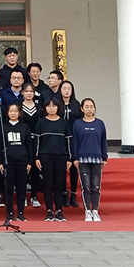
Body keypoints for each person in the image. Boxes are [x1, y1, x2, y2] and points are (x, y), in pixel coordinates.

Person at [35, 99, 73, 222]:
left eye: (54, 106)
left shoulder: (64, 123)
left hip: (61, 157)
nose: (51, 108)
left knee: (60, 184)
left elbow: (68, 141)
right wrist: (36, 157)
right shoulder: (41, 122)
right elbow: (37, 142)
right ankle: (49, 211)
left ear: (58, 107)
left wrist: (69, 158)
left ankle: (59, 211)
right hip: (45, 157)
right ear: (45, 108)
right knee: (48, 184)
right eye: (49, 106)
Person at [73, 98, 108, 222]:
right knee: (86, 186)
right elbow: (75, 142)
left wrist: (104, 157)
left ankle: (95, 211)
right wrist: (75, 158)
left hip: (97, 158)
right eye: (86, 107)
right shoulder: (77, 124)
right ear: (82, 109)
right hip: (83, 158)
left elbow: (103, 141)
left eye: (91, 106)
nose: (89, 109)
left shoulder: (100, 124)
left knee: (96, 186)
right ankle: (87, 210)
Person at [0, 103, 33, 222]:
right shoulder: (3, 127)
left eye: (15, 111)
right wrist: (0, 162)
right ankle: (10, 213)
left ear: (19, 113)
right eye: (11, 111)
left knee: (21, 188)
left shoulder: (24, 127)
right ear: (7, 113)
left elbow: (29, 145)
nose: (13, 113)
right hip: (8, 161)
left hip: (22, 161)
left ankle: (20, 213)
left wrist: (30, 161)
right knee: (8, 188)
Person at [57, 80, 82, 208]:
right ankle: (63, 194)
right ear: (60, 90)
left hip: (73, 139)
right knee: (61, 168)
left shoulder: (76, 105)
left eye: (69, 89)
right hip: (60, 139)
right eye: (64, 88)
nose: (66, 91)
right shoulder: (56, 104)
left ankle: (73, 194)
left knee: (73, 167)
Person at [19, 83, 43, 208]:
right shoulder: (18, 107)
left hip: (36, 141)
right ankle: (22, 196)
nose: (29, 93)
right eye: (26, 91)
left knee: (35, 170)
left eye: (31, 91)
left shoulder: (39, 108)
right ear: (22, 93)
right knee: (23, 170)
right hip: (22, 141)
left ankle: (34, 196)